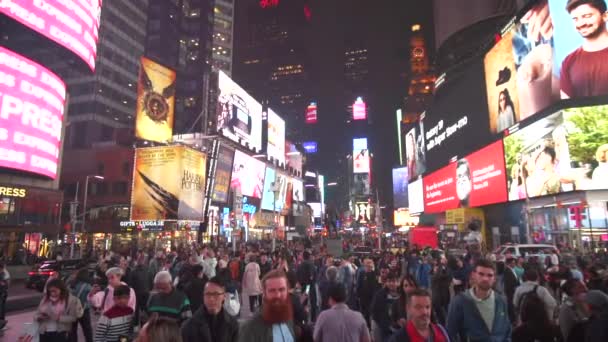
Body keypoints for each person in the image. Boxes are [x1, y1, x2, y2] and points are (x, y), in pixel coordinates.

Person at [446, 258, 511, 342]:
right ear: (473, 275)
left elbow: (507, 331)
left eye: (490, 275)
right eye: (481, 274)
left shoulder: (501, 300)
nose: (485, 279)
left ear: (494, 278)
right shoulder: (459, 302)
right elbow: (450, 334)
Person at [560, 0, 608, 99]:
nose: (580, 24)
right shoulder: (569, 61)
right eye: (575, 19)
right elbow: (567, 105)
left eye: (587, 16)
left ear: (605, 16)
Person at [238, 270, 296, 342]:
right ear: (264, 294)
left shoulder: (288, 318)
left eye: (281, 289)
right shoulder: (250, 328)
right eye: (272, 290)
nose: (277, 295)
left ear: (287, 291)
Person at [181, 276, 239, 342]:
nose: (211, 298)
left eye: (216, 294)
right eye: (208, 294)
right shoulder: (189, 326)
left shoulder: (232, 324)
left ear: (224, 296)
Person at [370, 272, 401, 342]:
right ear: (386, 282)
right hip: (384, 329)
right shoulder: (379, 295)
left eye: (394, 281)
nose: (392, 284)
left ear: (398, 282)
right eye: (389, 281)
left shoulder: (402, 295)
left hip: (399, 329)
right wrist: (385, 325)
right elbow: (374, 311)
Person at [68, 268, 93, 342]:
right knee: (87, 330)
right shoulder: (87, 286)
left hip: (72, 310)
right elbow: (90, 297)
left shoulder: (71, 284)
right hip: (84, 310)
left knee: (72, 331)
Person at [357, 258, 379, 326]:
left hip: (372, 297)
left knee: (371, 312)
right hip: (363, 297)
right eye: (367, 265)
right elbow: (359, 284)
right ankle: (365, 325)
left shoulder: (375, 274)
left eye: (370, 265)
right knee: (364, 312)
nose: (368, 267)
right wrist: (358, 295)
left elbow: (377, 286)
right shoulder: (362, 273)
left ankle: (370, 325)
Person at [503, 257, 520, 324]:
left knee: (512, 304)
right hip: (511, 291)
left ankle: (513, 318)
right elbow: (508, 282)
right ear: (509, 263)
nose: (514, 264)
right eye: (513, 263)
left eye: (514, 263)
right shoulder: (507, 271)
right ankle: (512, 320)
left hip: (514, 289)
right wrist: (514, 288)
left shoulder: (512, 269)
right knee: (511, 304)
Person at [0, 262, 9, 329]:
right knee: (2, 308)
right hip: (2, 293)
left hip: (2, 293)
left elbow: (5, 284)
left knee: (2, 308)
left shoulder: (3, 273)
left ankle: (2, 322)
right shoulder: (3, 273)